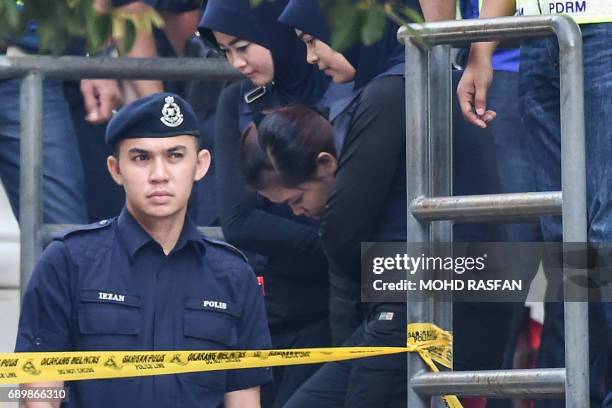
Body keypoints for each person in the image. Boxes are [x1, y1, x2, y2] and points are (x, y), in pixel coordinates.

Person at [15, 92, 273, 408]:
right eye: (141, 158)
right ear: (115, 169)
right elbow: (38, 392)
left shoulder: (234, 275)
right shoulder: (68, 261)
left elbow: (244, 399)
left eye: (175, 155)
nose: (159, 174)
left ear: (201, 165)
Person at [457, 0, 612, 406]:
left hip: (602, 27)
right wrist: (480, 50)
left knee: (602, 229)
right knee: (566, 245)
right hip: (536, 34)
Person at [198, 2, 334, 406]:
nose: (237, 63)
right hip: (270, 310)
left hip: (338, 304)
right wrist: (336, 245)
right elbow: (239, 221)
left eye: (242, 46)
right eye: (225, 52)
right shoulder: (236, 102)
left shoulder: (337, 83)